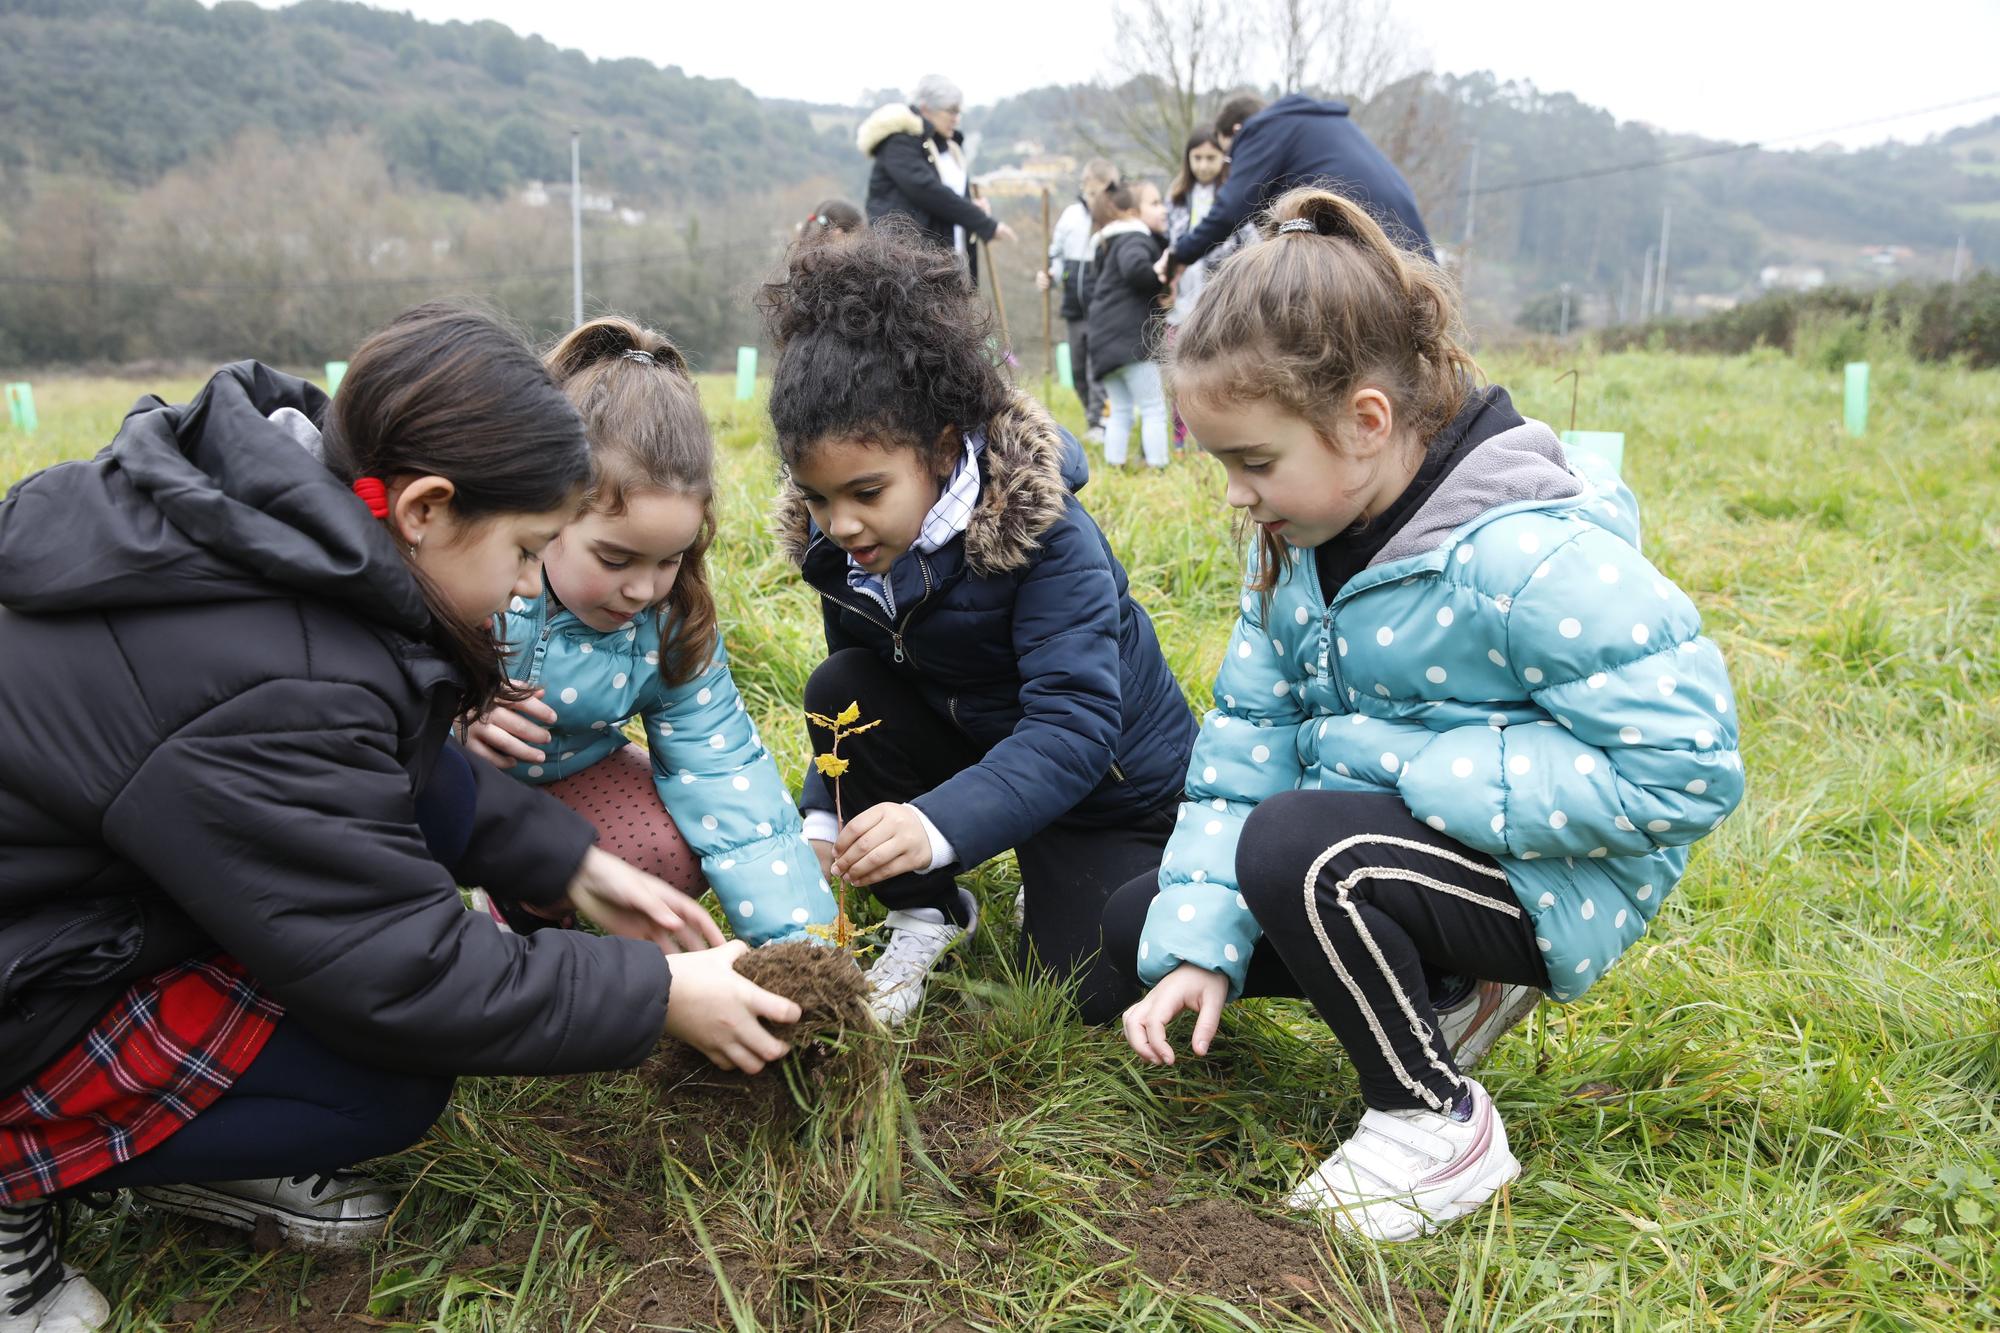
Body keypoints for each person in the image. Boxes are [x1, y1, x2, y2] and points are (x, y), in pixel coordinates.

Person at [0, 305, 802, 1332]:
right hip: (28, 978)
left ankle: (180, 1139)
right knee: (379, 1086)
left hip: (78, 900)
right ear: (424, 506)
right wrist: (653, 992)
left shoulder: (292, 527)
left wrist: (565, 860)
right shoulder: (271, 667)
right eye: (524, 550)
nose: (523, 584)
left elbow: (389, 765)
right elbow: (406, 972)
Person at [1107, 189, 1744, 1241]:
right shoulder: (1294, 553)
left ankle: (1433, 1119)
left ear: (1364, 420)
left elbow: (1684, 769)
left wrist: (1409, 769)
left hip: (1558, 871)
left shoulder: (1522, 554)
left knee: (1307, 853)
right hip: (1398, 845)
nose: (1234, 495)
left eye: (1252, 461)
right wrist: (1197, 946)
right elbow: (1242, 754)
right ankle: (1445, 987)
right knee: (1138, 921)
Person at [759, 223, 1195, 1027]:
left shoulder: (1047, 534)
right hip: (986, 745)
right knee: (840, 685)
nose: (842, 524)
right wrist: (825, 813)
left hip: (1106, 788)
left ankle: (1061, 870)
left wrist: (934, 822)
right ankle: (930, 911)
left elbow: (1074, 727)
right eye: (818, 499)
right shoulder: (844, 551)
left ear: (939, 446)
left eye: (865, 491)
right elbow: (856, 702)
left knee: (1088, 989)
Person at [462, 316, 837, 947]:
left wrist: (802, 948)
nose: (643, 590)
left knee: (671, 852)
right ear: (548, 512)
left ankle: (528, 909)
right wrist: (453, 721)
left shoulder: (671, 624)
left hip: (569, 779)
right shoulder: (472, 576)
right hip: (440, 780)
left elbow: (724, 773)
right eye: (614, 559)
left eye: (669, 560)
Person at [1158, 92, 1433, 288]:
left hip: (1372, 242)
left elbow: (1231, 209)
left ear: (1239, 130)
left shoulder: (1263, 129)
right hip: (1409, 246)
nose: (1232, 169)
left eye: (1231, 157)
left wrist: (1180, 255)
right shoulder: (1319, 127)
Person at [858, 74, 1015, 285]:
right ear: (925, 109)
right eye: (950, 110)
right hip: (908, 268)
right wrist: (984, 223)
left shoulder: (950, 149)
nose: (956, 118)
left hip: (950, 264)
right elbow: (930, 192)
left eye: (958, 111)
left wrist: (972, 207)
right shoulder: (899, 144)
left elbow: (952, 198)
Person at [1080, 180, 1171, 471]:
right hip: (1132, 341)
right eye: (1154, 204)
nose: (1162, 209)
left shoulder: (1106, 245)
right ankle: (1159, 468)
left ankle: (1114, 466)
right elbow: (1136, 270)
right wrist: (1161, 278)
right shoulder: (1135, 238)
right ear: (1132, 212)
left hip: (1103, 343)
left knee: (1120, 409)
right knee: (1154, 407)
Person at [1037, 158, 1119, 442]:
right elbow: (1056, 255)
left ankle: (1100, 422)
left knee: (1096, 367)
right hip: (1074, 305)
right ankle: (1091, 415)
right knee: (1077, 367)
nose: (1092, 197)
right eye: (1089, 190)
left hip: (1103, 307)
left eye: (1099, 192)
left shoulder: (1114, 218)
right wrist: (1050, 275)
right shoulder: (1071, 216)